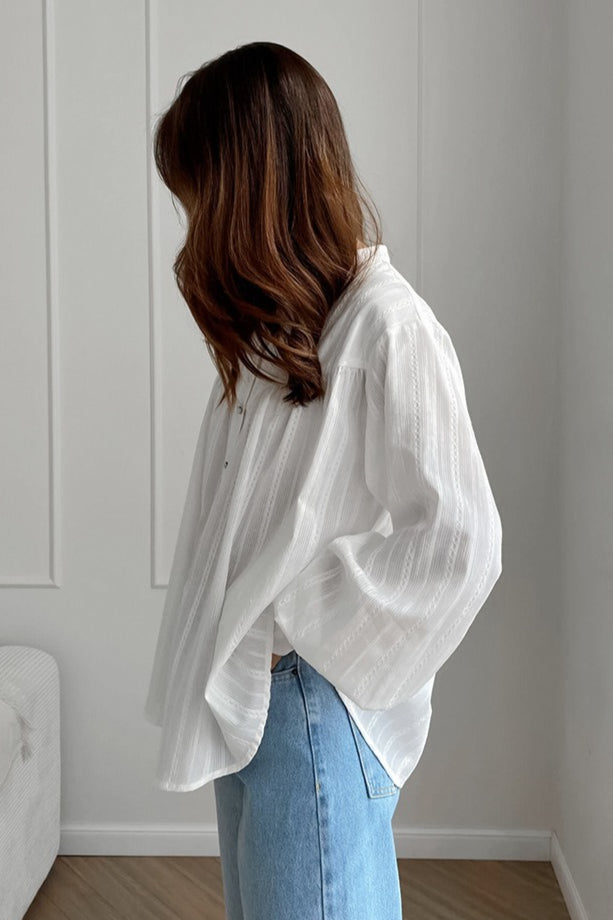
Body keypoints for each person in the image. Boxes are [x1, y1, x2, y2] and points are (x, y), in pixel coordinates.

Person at [143, 41, 503, 920]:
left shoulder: (387, 328)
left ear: (250, 190)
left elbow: (463, 542)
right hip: (257, 695)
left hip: (306, 700)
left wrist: (299, 622)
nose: (194, 226)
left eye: (201, 197)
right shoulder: (281, 337)